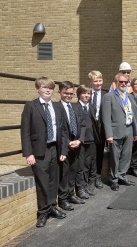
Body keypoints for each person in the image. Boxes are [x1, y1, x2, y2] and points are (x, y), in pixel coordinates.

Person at [21, 77, 68, 227]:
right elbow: (25, 131)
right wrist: (29, 153)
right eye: (44, 87)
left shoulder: (57, 107)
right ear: (37, 89)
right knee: (42, 182)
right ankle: (43, 212)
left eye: (50, 88)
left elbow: (63, 130)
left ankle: (53, 207)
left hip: (55, 148)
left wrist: (63, 150)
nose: (48, 90)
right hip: (39, 151)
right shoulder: (31, 106)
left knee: (53, 180)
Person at [101, 72, 137, 191]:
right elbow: (106, 117)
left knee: (126, 155)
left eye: (125, 82)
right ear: (116, 83)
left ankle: (122, 176)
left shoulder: (130, 96)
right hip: (115, 131)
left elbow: (133, 115)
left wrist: (135, 131)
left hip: (129, 129)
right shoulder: (109, 96)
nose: (123, 84)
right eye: (121, 82)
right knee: (115, 157)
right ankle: (114, 179)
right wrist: (109, 134)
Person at [56, 81, 86, 210]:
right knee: (64, 172)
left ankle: (70, 194)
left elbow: (83, 125)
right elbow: (58, 129)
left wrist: (79, 140)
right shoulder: (56, 107)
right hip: (64, 145)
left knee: (74, 170)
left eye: (71, 94)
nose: (68, 96)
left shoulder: (76, 107)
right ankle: (63, 199)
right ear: (59, 92)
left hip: (76, 144)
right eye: (65, 93)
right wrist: (67, 142)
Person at [75, 85, 101, 198]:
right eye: (84, 93)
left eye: (89, 93)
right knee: (81, 165)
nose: (87, 95)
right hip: (81, 141)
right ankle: (81, 187)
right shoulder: (75, 107)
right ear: (79, 94)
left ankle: (87, 185)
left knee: (90, 163)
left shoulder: (91, 107)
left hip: (91, 139)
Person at [88, 70, 106, 189]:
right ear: (91, 82)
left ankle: (98, 176)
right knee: (89, 154)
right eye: (95, 81)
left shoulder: (107, 94)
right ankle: (90, 178)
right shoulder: (86, 93)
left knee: (99, 153)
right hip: (89, 128)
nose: (98, 83)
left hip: (102, 128)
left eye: (100, 80)